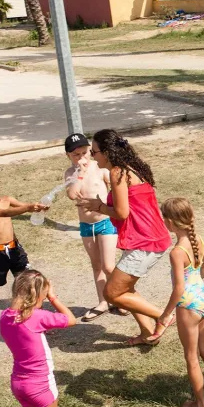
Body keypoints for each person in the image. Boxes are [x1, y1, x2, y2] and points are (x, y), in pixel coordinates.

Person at [77, 129, 172, 346]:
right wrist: (99, 205)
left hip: (145, 241)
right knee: (123, 289)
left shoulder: (117, 173)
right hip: (148, 237)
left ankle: (163, 316)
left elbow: (122, 212)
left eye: (95, 151)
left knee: (112, 293)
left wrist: (99, 206)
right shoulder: (131, 168)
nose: (93, 156)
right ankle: (148, 334)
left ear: (108, 153)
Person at [146, 197, 204, 407]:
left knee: (191, 356)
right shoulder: (196, 238)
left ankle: (199, 405)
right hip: (203, 297)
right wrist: (197, 282)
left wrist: (164, 314)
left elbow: (179, 288)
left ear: (170, 223)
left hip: (188, 305)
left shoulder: (177, 252)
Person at [0, 270, 76, 407]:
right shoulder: (37, 316)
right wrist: (53, 297)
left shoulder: (4, 316)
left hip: (18, 383)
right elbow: (71, 319)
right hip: (40, 384)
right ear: (39, 293)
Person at [63, 133, 123, 322]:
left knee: (108, 265)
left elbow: (115, 191)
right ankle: (103, 301)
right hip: (86, 225)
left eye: (85, 153)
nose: (82, 158)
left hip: (105, 221)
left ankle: (121, 298)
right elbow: (73, 194)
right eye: (76, 155)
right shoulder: (70, 174)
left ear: (90, 150)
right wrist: (80, 173)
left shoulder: (100, 168)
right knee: (96, 265)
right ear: (68, 156)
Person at [0, 195, 48, 304]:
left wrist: (38, 207)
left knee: (28, 279)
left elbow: (24, 206)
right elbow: (4, 213)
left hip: (14, 248)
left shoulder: (6, 199)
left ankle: (29, 309)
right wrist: (28, 208)